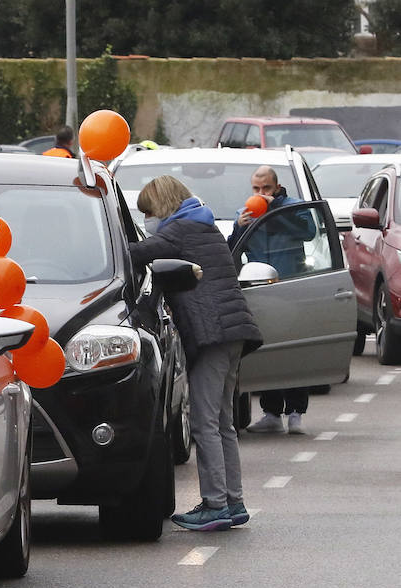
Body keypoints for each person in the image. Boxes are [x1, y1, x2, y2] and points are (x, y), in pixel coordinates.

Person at [130, 175, 263, 532]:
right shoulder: (204, 225)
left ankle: (216, 504)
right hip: (232, 333)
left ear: (161, 206)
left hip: (211, 334)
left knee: (204, 423)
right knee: (222, 422)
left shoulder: (178, 230)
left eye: (148, 212)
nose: (148, 220)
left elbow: (135, 255)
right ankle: (233, 501)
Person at [229, 165, 316, 434]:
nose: (261, 193)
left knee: (294, 351)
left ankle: (296, 412)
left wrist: (272, 212)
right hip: (261, 287)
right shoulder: (246, 212)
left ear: (276, 188)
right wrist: (240, 228)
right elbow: (232, 250)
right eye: (256, 189)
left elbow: (308, 231)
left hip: (291, 287)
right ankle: (271, 413)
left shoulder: (291, 207)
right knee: (266, 350)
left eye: (266, 188)